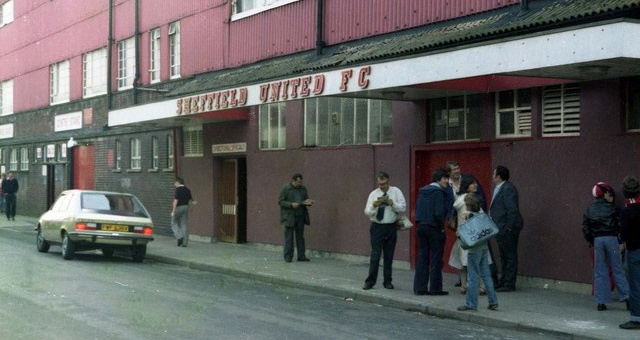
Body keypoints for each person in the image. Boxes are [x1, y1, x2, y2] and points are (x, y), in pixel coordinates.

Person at [582, 182, 629, 311]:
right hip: (612, 239)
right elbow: (620, 225)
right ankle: (627, 297)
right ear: (605, 194)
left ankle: (601, 302)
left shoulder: (589, 209)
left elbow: (585, 228)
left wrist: (592, 240)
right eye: (610, 194)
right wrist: (621, 241)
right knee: (617, 268)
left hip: (597, 241)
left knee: (600, 271)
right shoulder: (612, 209)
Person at [363, 171, 406, 290]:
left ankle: (388, 281)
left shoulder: (396, 191)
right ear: (377, 182)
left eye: (385, 184)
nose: (383, 186)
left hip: (391, 226)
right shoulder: (373, 194)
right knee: (375, 255)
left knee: (389, 255)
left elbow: (403, 207)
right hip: (377, 226)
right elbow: (367, 212)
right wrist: (374, 205)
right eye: (380, 184)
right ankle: (370, 281)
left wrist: (392, 203)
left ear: (388, 181)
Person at [457, 193, 499, 311]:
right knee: (486, 275)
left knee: (473, 276)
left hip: (474, 249)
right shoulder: (481, 215)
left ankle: (471, 304)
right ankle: (493, 301)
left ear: (468, 205)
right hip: (484, 246)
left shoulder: (468, 215)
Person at [449, 175, 488, 295]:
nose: (475, 185)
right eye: (473, 183)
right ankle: (481, 286)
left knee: (462, 262)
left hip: (463, 235)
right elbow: (480, 215)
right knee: (478, 261)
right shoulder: (471, 199)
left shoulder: (459, 199)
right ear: (467, 186)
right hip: (474, 234)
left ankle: (464, 285)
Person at [414, 168, 450, 296]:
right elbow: (439, 212)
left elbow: (417, 209)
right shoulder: (438, 193)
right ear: (438, 179)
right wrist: (441, 226)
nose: (447, 181)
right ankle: (435, 288)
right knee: (436, 258)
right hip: (434, 227)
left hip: (421, 226)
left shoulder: (423, 191)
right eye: (445, 178)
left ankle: (420, 287)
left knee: (423, 256)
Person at [489, 165, 523, 292]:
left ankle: (509, 283)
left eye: (494, 174)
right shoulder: (500, 188)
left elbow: (512, 209)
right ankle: (503, 280)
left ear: (498, 176)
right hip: (501, 227)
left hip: (506, 228)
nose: (492, 176)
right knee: (504, 255)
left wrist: (508, 227)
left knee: (509, 255)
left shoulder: (507, 188)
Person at [278, 173, 314, 262]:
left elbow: (306, 199)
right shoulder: (286, 188)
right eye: (298, 182)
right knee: (289, 237)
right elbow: (280, 201)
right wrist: (290, 204)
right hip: (289, 216)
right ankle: (288, 256)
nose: (300, 184)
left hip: (300, 216)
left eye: (301, 182)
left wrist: (308, 202)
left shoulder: (303, 189)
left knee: (300, 237)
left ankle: (301, 256)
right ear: (293, 180)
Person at [620, 175, 640, 330]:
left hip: (635, 250)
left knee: (635, 284)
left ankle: (636, 318)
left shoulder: (627, 211)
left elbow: (625, 234)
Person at [171, 177, 193, 247]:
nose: (174, 185)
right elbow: (190, 200)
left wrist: (174, 211)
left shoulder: (177, 190)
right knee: (184, 224)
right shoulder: (187, 190)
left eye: (174, 183)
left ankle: (179, 236)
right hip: (186, 207)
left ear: (178, 183)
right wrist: (191, 208)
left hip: (179, 207)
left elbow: (175, 201)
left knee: (173, 222)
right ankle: (185, 243)